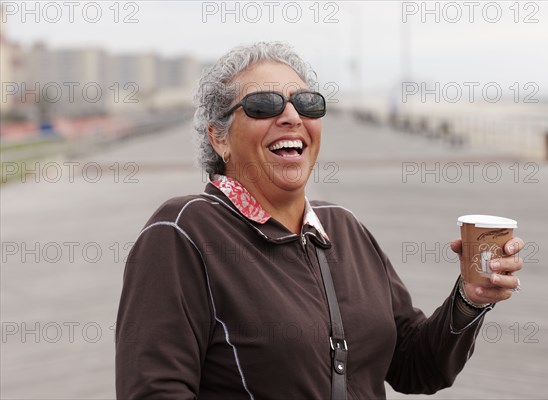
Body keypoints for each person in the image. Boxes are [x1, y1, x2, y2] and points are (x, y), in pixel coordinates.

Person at [115, 42, 525, 399]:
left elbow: (415, 365)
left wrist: (470, 299)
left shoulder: (343, 228)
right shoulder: (183, 232)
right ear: (219, 136)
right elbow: (155, 389)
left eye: (306, 103)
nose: (292, 117)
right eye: (264, 105)